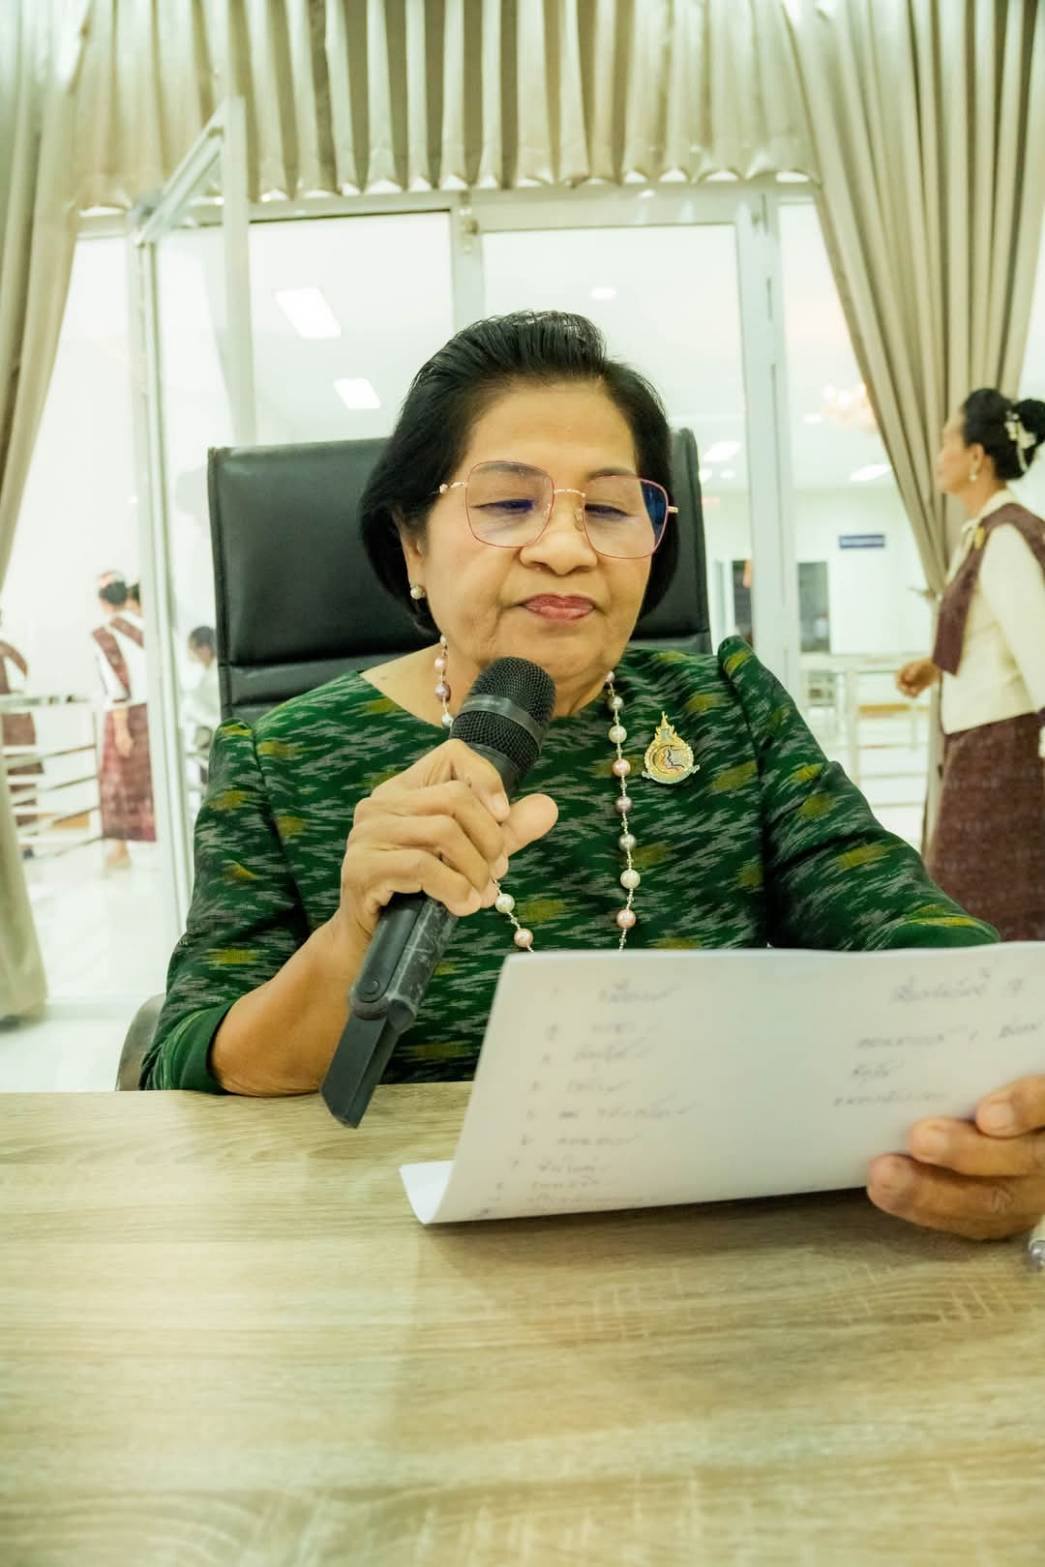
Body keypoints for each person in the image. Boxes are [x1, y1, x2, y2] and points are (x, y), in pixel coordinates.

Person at [143, 313, 1044, 1244]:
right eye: (506, 504)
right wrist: (349, 938)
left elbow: (892, 913)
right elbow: (191, 1065)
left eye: (610, 508)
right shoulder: (278, 756)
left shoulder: (724, 707)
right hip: (390, 1254)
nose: (566, 547)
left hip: (713, 1238)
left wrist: (1001, 1074)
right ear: (411, 542)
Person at [897, 389, 1045, 940]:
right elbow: (990, 633)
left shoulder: (1005, 537)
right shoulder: (982, 531)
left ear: (977, 456)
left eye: (945, 442)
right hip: (980, 747)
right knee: (979, 901)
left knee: (988, 906)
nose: (938, 455)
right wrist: (934, 666)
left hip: (1004, 754)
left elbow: (1039, 650)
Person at [91, 571, 156, 869]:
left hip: (124, 715)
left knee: (116, 784)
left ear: (102, 600)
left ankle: (120, 851)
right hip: (152, 711)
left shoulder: (104, 633)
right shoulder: (144, 627)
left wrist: (120, 728)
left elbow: (117, 681)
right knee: (150, 780)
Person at [0, 610, 42, 845]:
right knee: (23, 785)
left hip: (11, 727)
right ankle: (24, 844)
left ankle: (22, 845)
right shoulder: (13, 646)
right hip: (21, 725)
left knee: (19, 784)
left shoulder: (7, 648)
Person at [183, 626, 221, 786]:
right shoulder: (206, 675)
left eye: (192, 650)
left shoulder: (214, 678)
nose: (190, 656)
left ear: (204, 649)